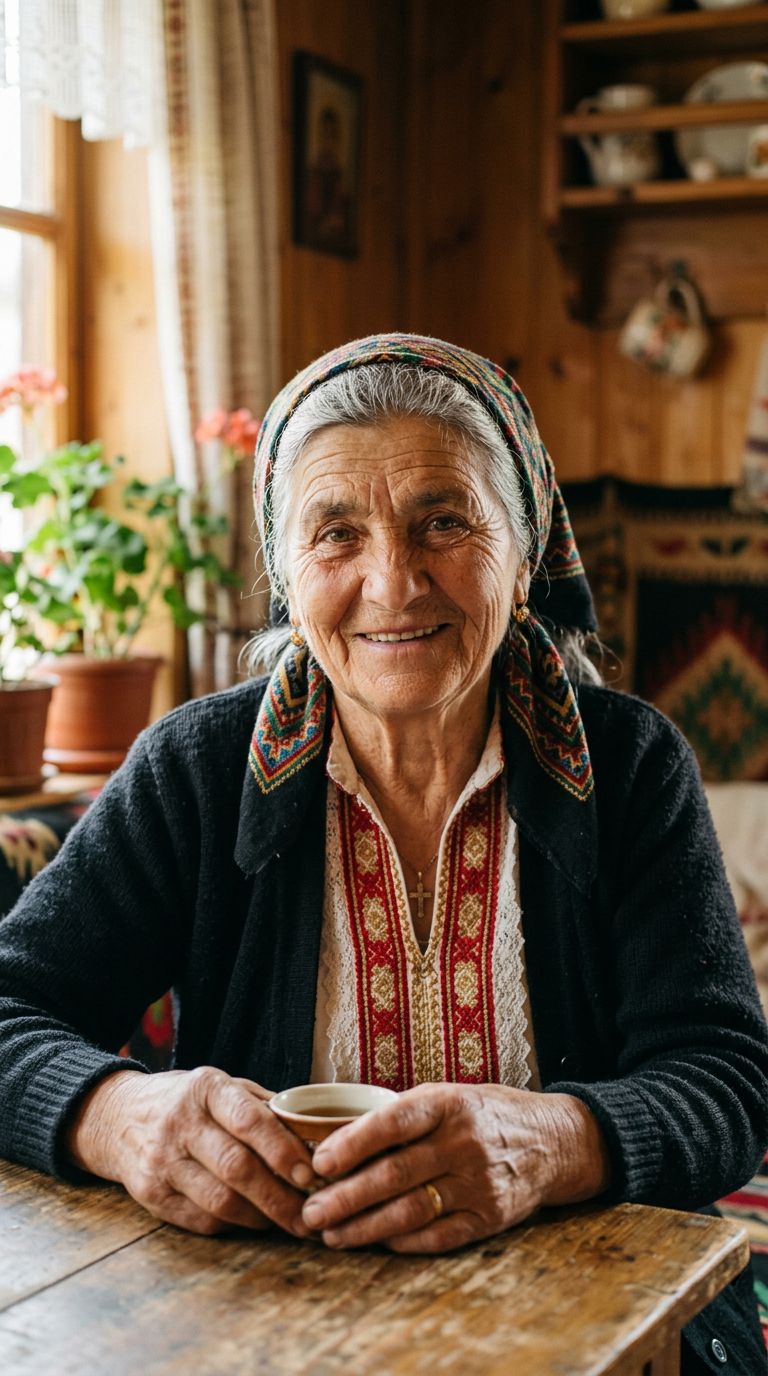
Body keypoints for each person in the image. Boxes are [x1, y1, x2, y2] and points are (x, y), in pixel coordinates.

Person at [0, 334, 766, 1373]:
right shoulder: (199, 766)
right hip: (256, 1328)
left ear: (526, 548)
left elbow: (728, 1082)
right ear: (284, 570)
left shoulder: (627, 768)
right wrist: (115, 1111)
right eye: (336, 532)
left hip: (588, 1325)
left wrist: (550, 1141)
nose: (393, 581)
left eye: (444, 521)